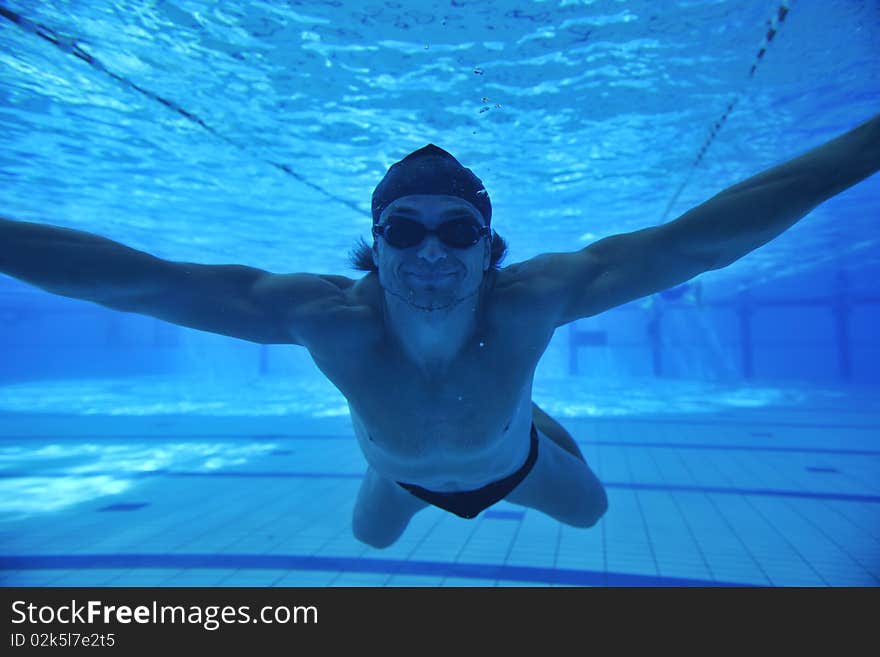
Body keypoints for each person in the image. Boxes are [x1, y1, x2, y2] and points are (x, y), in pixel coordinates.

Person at [1, 115, 878, 548]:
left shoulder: (531, 300)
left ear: (487, 246)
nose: (430, 252)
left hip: (516, 465)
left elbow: (711, 238)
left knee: (593, 510)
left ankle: (527, 426)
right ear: (373, 245)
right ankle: (453, 438)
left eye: (456, 230)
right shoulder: (325, 319)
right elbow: (139, 283)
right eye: (404, 230)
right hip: (399, 473)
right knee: (368, 539)